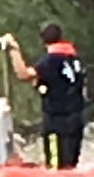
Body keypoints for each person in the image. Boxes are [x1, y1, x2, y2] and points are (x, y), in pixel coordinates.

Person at [24, 23, 86, 166]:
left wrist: (13, 50)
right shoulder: (75, 59)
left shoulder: (48, 61)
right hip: (76, 116)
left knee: (54, 163)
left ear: (43, 40)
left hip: (55, 119)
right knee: (70, 160)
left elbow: (26, 75)